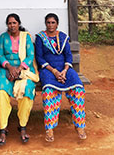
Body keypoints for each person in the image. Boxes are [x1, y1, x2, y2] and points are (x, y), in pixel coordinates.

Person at [35, 13, 86, 142]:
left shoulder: (63, 37)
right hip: (48, 69)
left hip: (65, 69)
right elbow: (40, 57)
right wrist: (54, 72)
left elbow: (68, 56)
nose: (50, 25)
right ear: (45, 24)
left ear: (57, 24)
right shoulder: (41, 38)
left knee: (78, 90)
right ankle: (49, 128)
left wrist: (64, 71)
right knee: (48, 92)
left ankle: (79, 125)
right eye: (48, 22)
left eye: (53, 22)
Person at [0, 13, 38, 145]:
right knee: (2, 93)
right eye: (9, 23)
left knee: (27, 91)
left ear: (18, 23)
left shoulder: (26, 37)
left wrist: (18, 69)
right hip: (6, 69)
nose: (12, 25)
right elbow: (0, 55)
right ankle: (2, 128)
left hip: (23, 70)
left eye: (14, 23)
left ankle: (23, 126)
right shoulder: (2, 37)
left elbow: (30, 56)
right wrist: (9, 67)